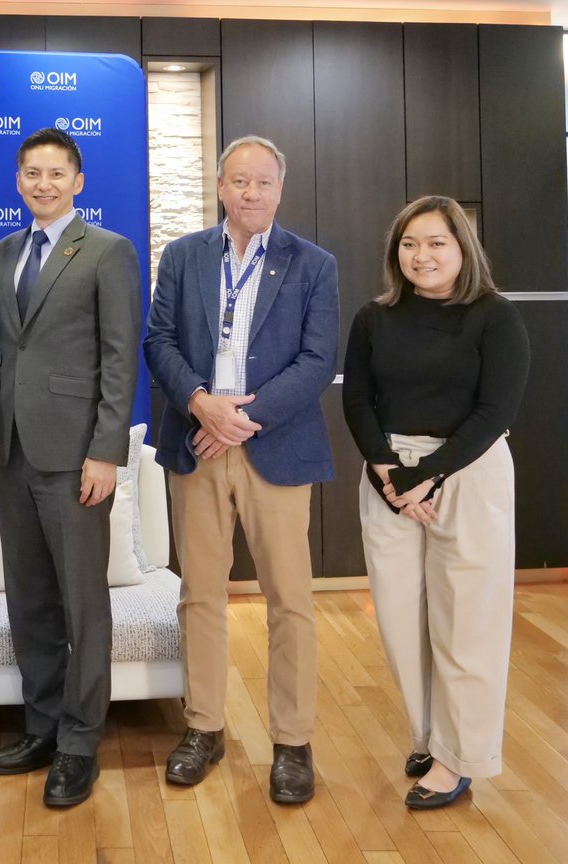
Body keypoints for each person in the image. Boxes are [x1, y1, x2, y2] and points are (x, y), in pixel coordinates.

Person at [143, 135, 338, 804]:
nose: (251, 192)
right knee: (200, 593)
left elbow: (317, 361)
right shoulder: (183, 256)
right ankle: (203, 726)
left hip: (272, 445)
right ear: (220, 188)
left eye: (263, 182)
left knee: (290, 600)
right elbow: (159, 340)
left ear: (280, 190)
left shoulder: (313, 264)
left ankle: (292, 741)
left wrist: (241, 419)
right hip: (198, 443)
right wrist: (201, 405)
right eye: (238, 182)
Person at [0, 128, 141, 807]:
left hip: (76, 457)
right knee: (31, 601)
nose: (43, 183)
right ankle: (40, 726)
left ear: (77, 181)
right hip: (11, 453)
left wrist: (106, 450)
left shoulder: (107, 251)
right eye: (31, 173)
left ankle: (79, 742)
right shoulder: (5, 251)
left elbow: (120, 357)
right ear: (18, 181)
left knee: (81, 604)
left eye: (55, 173)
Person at [342, 195, 529, 810]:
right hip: (390, 474)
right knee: (400, 620)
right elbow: (358, 401)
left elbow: (494, 411)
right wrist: (389, 475)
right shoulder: (375, 317)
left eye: (436, 243)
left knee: (467, 623)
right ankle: (429, 735)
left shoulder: (495, 316)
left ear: (462, 249)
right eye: (409, 244)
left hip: (467, 471)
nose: (422, 255)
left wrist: (431, 476)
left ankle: (459, 758)